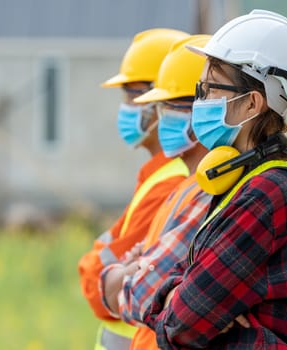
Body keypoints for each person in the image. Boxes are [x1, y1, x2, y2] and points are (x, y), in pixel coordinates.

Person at [143, 10, 287, 349]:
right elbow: (180, 303)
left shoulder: (267, 194)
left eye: (209, 88)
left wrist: (189, 307)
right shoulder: (244, 181)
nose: (200, 101)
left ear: (252, 103)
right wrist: (183, 300)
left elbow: (180, 326)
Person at [99, 34, 214, 350]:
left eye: (169, 106)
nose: (132, 108)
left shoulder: (195, 187)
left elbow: (130, 289)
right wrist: (135, 270)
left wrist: (131, 270)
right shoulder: (183, 184)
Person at [77, 28, 190, 350]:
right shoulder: (156, 176)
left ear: (159, 101)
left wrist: (100, 269)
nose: (125, 107)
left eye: (131, 94)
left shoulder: (171, 183)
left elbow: (97, 287)